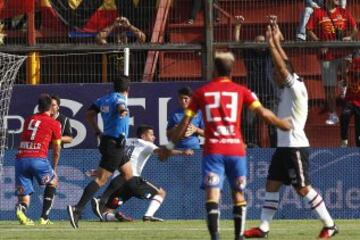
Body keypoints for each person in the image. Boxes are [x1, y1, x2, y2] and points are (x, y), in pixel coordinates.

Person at [159, 51, 292, 240]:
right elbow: (263, 113)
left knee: (213, 195)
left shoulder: (201, 94)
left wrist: (170, 145)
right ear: (232, 70)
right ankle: (238, 237)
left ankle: (216, 237)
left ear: (213, 69)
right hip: (236, 150)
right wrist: (281, 123)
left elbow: (184, 124)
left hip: (213, 150)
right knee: (238, 194)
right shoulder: (242, 91)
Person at [244, 23, 338, 239]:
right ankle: (264, 228)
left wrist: (270, 45)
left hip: (295, 146)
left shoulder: (294, 87)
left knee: (303, 189)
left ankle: (330, 225)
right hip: (284, 146)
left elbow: (283, 67)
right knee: (272, 184)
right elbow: (285, 64)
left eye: (277, 74)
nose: (275, 76)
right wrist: (276, 41)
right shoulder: (292, 82)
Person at [67, 76, 133, 229]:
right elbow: (121, 106)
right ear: (128, 89)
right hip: (114, 144)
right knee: (101, 179)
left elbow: (89, 114)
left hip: (108, 142)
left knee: (128, 174)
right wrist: (122, 111)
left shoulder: (103, 99)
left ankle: (102, 199)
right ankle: (77, 208)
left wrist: (97, 131)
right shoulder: (120, 99)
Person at [90, 125, 194, 222]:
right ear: (143, 136)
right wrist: (182, 152)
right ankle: (148, 215)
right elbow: (162, 152)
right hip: (132, 178)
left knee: (107, 210)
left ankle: (113, 216)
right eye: (151, 134)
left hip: (118, 180)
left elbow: (112, 155)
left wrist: (100, 170)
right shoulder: (147, 144)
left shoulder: (126, 141)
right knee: (161, 193)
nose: (154, 137)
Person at [307, 0, 357, 125]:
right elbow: (308, 29)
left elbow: (354, 28)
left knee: (349, 69)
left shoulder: (343, 12)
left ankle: (343, 85)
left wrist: (349, 37)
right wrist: (319, 42)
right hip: (326, 55)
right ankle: (333, 114)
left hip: (342, 52)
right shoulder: (318, 13)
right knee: (329, 87)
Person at [15, 94, 62, 225]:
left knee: (25, 196)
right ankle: (44, 218)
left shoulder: (28, 119)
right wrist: (54, 166)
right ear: (50, 108)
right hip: (38, 158)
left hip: (21, 159)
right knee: (53, 181)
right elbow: (57, 148)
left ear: (38, 107)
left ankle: (21, 209)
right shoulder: (54, 123)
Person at [234, 15, 278, 147]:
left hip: (270, 93)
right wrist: (237, 26)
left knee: (272, 123)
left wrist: (274, 25)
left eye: (262, 42)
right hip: (253, 93)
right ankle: (251, 145)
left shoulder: (269, 53)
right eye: (257, 42)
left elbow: (277, 42)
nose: (260, 44)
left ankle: (274, 147)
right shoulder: (249, 54)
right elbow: (237, 44)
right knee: (248, 122)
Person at [339, 51, 360, 147]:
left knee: (358, 129)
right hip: (351, 101)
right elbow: (344, 76)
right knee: (344, 115)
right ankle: (344, 139)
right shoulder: (350, 68)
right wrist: (346, 64)